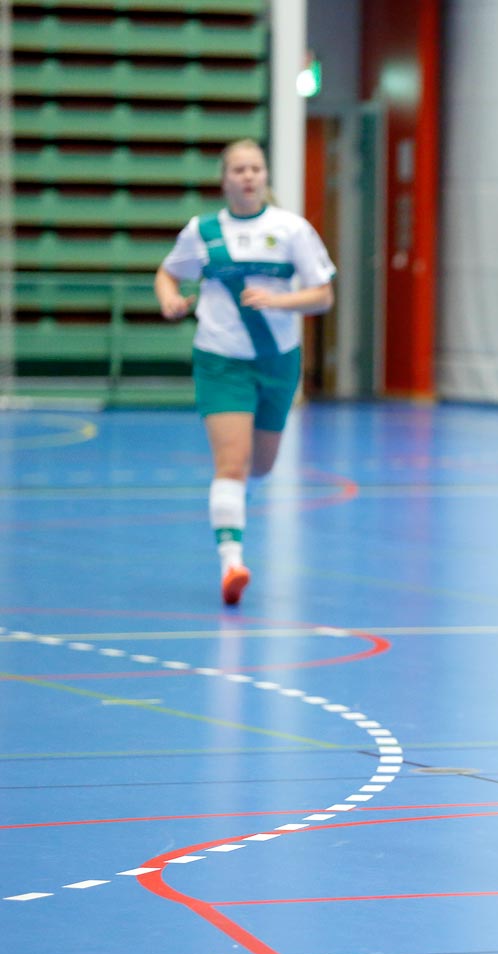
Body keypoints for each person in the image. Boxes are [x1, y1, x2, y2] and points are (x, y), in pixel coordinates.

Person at [155, 139, 336, 605]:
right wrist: (170, 301)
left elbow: (323, 295)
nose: (248, 176)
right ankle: (232, 562)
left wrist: (279, 300)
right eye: (239, 169)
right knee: (230, 464)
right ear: (225, 178)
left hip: (278, 358)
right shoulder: (204, 231)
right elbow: (168, 273)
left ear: (265, 176)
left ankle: (235, 508)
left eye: (256, 168)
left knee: (263, 464)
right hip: (221, 359)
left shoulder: (291, 229)